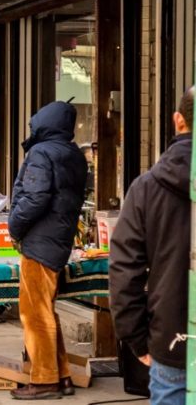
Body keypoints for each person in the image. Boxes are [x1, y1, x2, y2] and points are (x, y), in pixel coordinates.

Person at [111, 88, 193, 404]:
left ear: (177, 120)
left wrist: (137, 339)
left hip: (171, 338)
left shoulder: (147, 188)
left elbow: (124, 271)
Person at [8, 101, 88, 400]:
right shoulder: (74, 155)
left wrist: (14, 227)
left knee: (35, 315)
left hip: (40, 242)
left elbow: (34, 197)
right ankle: (62, 375)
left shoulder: (41, 152)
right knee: (45, 312)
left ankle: (44, 381)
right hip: (59, 239)